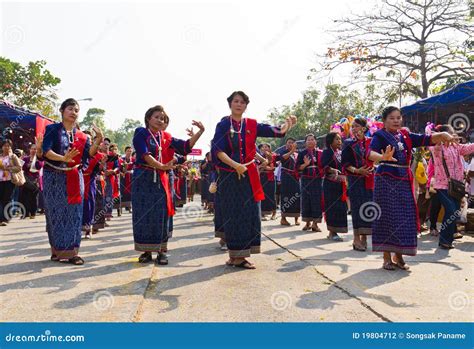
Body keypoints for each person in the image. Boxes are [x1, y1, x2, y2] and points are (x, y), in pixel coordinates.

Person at [211, 90, 296, 269]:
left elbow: (276, 131)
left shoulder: (251, 124)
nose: (239, 104)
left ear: (246, 106)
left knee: (250, 213)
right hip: (229, 175)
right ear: (230, 104)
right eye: (236, 101)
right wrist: (236, 165)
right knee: (233, 213)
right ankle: (235, 255)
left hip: (248, 175)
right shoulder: (223, 124)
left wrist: (287, 126)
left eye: (242, 102)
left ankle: (239, 255)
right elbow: (218, 150)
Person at [368, 106, 454, 271]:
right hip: (385, 179)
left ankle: (399, 255)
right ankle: (386, 258)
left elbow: (427, 138)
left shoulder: (406, 135)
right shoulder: (379, 136)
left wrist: (443, 135)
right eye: (392, 118)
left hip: (404, 179)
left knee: (404, 217)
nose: (396, 121)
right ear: (384, 121)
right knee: (387, 217)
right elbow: (371, 153)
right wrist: (382, 157)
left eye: (398, 117)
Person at [132, 105, 204, 264]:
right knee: (144, 213)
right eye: (157, 117)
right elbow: (144, 154)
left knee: (162, 213)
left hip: (163, 178)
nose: (160, 120)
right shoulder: (141, 133)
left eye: (163, 118)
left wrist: (199, 132)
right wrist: (161, 166)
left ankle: (162, 251)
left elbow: (186, 147)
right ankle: (146, 251)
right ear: (148, 118)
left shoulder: (167, 137)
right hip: (144, 178)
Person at [41, 98, 103, 265]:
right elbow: (46, 151)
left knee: (75, 214)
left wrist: (97, 140)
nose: (74, 112)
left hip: (75, 177)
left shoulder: (82, 136)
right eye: (70, 108)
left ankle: (72, 252)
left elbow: (87, 155)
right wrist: (63, 158)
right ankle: (57, 251)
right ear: (62, 110)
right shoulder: (52, 129)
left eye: (76, 110)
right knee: (56, 214)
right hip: (54, 177)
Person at [429, 124, 474, 249]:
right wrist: (441, 138)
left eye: (453, 133)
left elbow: (469, 148)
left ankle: (447, 240)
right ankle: (444, 239)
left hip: (456, 186)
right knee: (450, 210)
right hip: (442, 185)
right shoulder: (436, 147)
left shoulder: (456, 147)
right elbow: (431, 140)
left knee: (454, 213)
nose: (453, 136)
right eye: (450, 133)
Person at [342, 117, 374, 251]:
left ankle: (364, 237)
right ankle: (356, 239)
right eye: (352, 126)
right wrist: (357, 170)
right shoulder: (348, 143)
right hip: (355, 179)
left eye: (356, 126)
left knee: (367, 208)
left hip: (369, 179)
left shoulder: (371, 142)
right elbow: (345, 163)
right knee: (356, 208)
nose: (354, 129)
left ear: (364, 128)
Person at [322, 132, 348, 241]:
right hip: (330, 184)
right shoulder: (327, 152)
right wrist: (332, 169)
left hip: (341, 184)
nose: (339, 141)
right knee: (332, 207)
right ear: (330, 141)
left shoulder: (341, 153)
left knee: (341, 208)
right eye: (337, 139)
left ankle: (337, 230)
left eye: (340, 139)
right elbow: (323, 165)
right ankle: (332, 232)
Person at [297, 134, 323, 232]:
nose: (310, 141)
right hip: (305, 179)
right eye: (308, 140)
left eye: (312, 139)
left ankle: (315, 224)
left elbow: (324, 166)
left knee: (316, 200)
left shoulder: (320, 153)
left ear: (315, 142)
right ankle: (307, 223)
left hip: (317, 179)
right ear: (305, 142)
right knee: (306, 200)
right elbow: (298, 168)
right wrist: (306, 164)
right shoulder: (301, 153)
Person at [278, 137, 301, 226]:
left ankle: (296, 218)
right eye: (288, 142)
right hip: (286, 177)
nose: (290, 144)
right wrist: (292, 151)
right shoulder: (283, 152)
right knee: (285, 195)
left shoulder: (296, 154)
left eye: (292, 142)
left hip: (295, 177)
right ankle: (283, 218)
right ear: (286, 144)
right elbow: (283, 158)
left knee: (296, 196)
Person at [0, 140, 22, 226]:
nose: (7, 147)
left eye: (8, 146)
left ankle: (6, 218)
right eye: (5, 145)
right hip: (0, 180)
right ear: (1, 147)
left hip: (9, 181)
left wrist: (9, 168)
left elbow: (19, 168)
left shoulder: (13, 157)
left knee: (6, 199)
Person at [19, 144, 44, 219]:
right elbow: (20, 167)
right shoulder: (25, 158)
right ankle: (26, 213)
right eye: (32, 149)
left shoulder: (39, 159)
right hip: (26, 179)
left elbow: (39, 166)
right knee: (25, 196)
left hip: (35, 180)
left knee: (34, 197)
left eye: (35, 149)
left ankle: (33, 212)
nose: (33, 150)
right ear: (29, 150)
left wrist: (33, 163)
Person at [258, 143, 277, 221]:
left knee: (271, 195)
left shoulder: (273, 155)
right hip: (262, 177)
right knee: (262, 195)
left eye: (266, 147)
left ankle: (274, 213)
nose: (264, 148)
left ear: (269, 148)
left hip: (270, 178)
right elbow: (258, 167)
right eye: (263, 147)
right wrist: (263, 166)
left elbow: (272, 168)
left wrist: (264, 166)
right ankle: (262, 214)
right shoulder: (260, 156)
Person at [120, 146, 134, 212]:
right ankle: (121, 207)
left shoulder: (134, 160)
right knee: (123, 191)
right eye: (128, 151)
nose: (129, 152)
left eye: (130, 151)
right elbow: (119, 168)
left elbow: (135, 168)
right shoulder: (121, 159)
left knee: (131, 192)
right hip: (123, 177)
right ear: (125, 152)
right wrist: (121, 172)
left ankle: (130, 206)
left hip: (131, 177)